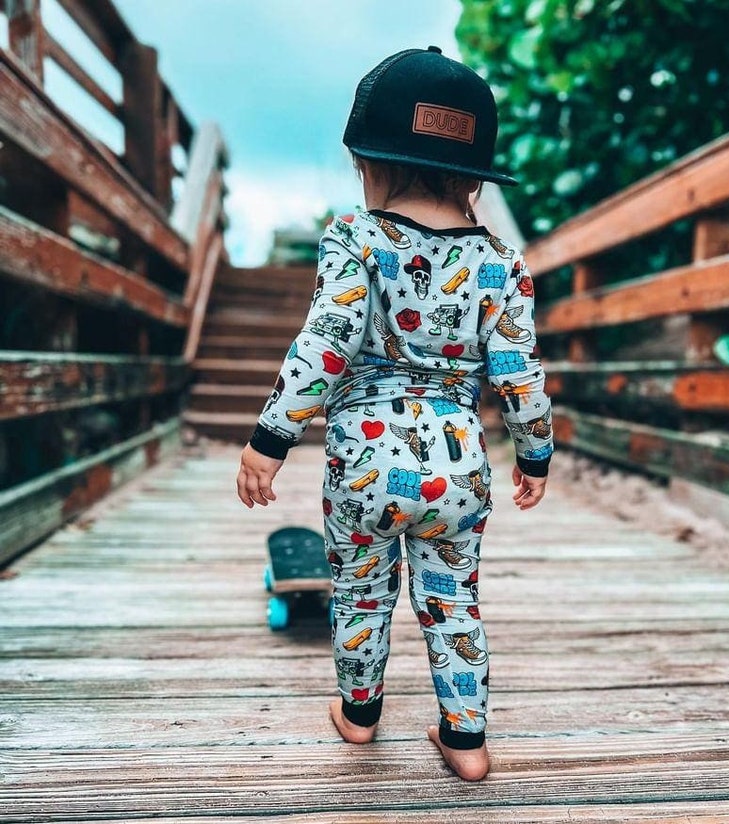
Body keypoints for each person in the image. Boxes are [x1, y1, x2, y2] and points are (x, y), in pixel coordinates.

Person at [236, 46, 553, 782]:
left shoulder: (356, 237)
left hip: (364, 466)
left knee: (360, 593)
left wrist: (270, 436)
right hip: (459, 471)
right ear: (476, 176)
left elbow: (330, 336)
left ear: (367, 165)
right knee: (453, 602)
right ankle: (467, 742)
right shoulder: (502, 262)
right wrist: (534, 454)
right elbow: (518, 371)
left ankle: (359, 715)